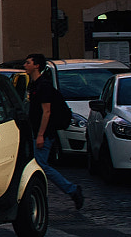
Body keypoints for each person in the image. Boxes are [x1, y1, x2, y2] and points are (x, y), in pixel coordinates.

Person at [22, 54, 86, 213]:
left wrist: (41, 135)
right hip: (37, 131)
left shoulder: (43, 86)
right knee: (37, 165)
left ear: (36, 66)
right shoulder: (34, 85)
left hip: (43, 132)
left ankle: (71, 190)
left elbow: (47, 112)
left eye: (28, 62)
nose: (25, 65)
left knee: (41, 164)